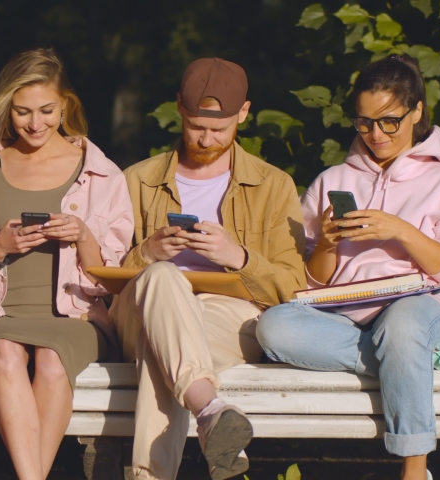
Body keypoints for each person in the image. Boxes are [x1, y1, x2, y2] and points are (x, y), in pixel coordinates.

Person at [255, 54, 440, 480]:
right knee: (274, 327)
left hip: (423, 303)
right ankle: (427, 356)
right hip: (345, 311)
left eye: (389, 122)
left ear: (416, 112)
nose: (376, 134)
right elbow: (311, 280)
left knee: (402, 327)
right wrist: (327, 244)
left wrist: (402, 231)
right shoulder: (332, 181)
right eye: (364, 123)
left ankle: (414, 467)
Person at [0, 48, 133, 480]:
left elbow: (110, 280)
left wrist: (83, 236)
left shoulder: (100, 173)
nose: (35, 123)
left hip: (75, 317)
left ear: (65, 105)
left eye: (46, 110)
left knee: (50, 358)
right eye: (22, 112)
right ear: (7, 110)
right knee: (7, 351)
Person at [110, 58, 307, 480]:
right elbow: (102, 276)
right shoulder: (136, 181)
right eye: (196, 126)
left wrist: (240, 258)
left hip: (228, 315)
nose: (206, 139)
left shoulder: (274, 185)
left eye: (219, 130)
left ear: (244, 113)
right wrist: (146, 253)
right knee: (163, 277)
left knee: (163, 353)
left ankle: (192, 427)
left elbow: (293, 289)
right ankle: (210, 410)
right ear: (179, 108)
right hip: (140, 311)